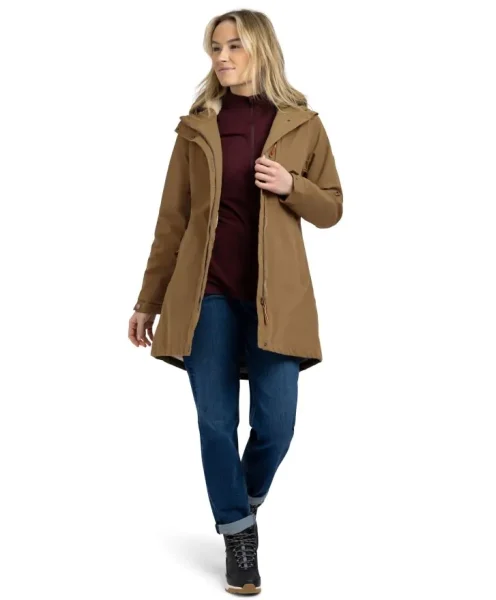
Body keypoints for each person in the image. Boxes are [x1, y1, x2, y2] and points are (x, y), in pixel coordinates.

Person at [128, 9, 343, 595]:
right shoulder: (198, 127)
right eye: (215, 47)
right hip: (206, 295)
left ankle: (240, 500)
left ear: (261, 50)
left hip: (279, 299)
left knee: (277, 424)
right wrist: (148, 301)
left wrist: (292, 187)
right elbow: (172, 221)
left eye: (234, 46)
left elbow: (332, 207)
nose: (221, 57)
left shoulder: (303, 125)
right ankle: (238, 536)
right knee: (216, 422)